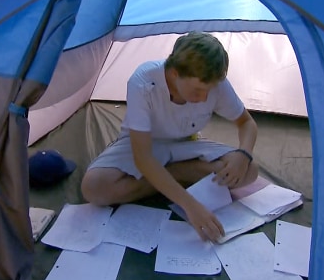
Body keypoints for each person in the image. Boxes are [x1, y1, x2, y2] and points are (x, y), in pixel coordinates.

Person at [81, 32, 259, 242]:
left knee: (249, 172)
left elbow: (247, 123)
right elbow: (143, 157)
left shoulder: (215, 84)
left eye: (208, 91)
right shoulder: (143, 82)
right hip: (145, 144)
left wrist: (244, 154)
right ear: (174, 73)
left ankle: (171, 175)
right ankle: (174, 178)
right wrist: (191, 205)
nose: (203, 98)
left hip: (186, 146)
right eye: (197, 90)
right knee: (94, 188)